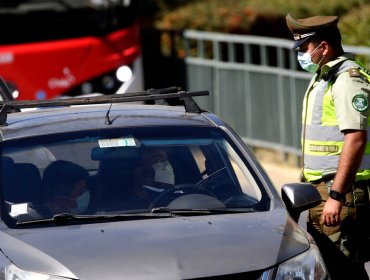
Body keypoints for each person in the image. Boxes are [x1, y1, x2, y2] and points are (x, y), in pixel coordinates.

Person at [286, 13, 370, 279]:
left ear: (323, 46)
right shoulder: (325, 76)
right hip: (320, 190)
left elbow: (355, 138)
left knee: (344, 270)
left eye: (304, 48)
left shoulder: (347, 80)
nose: (301, 53)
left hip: (340, 192)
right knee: (328, 267)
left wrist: (335, 196)